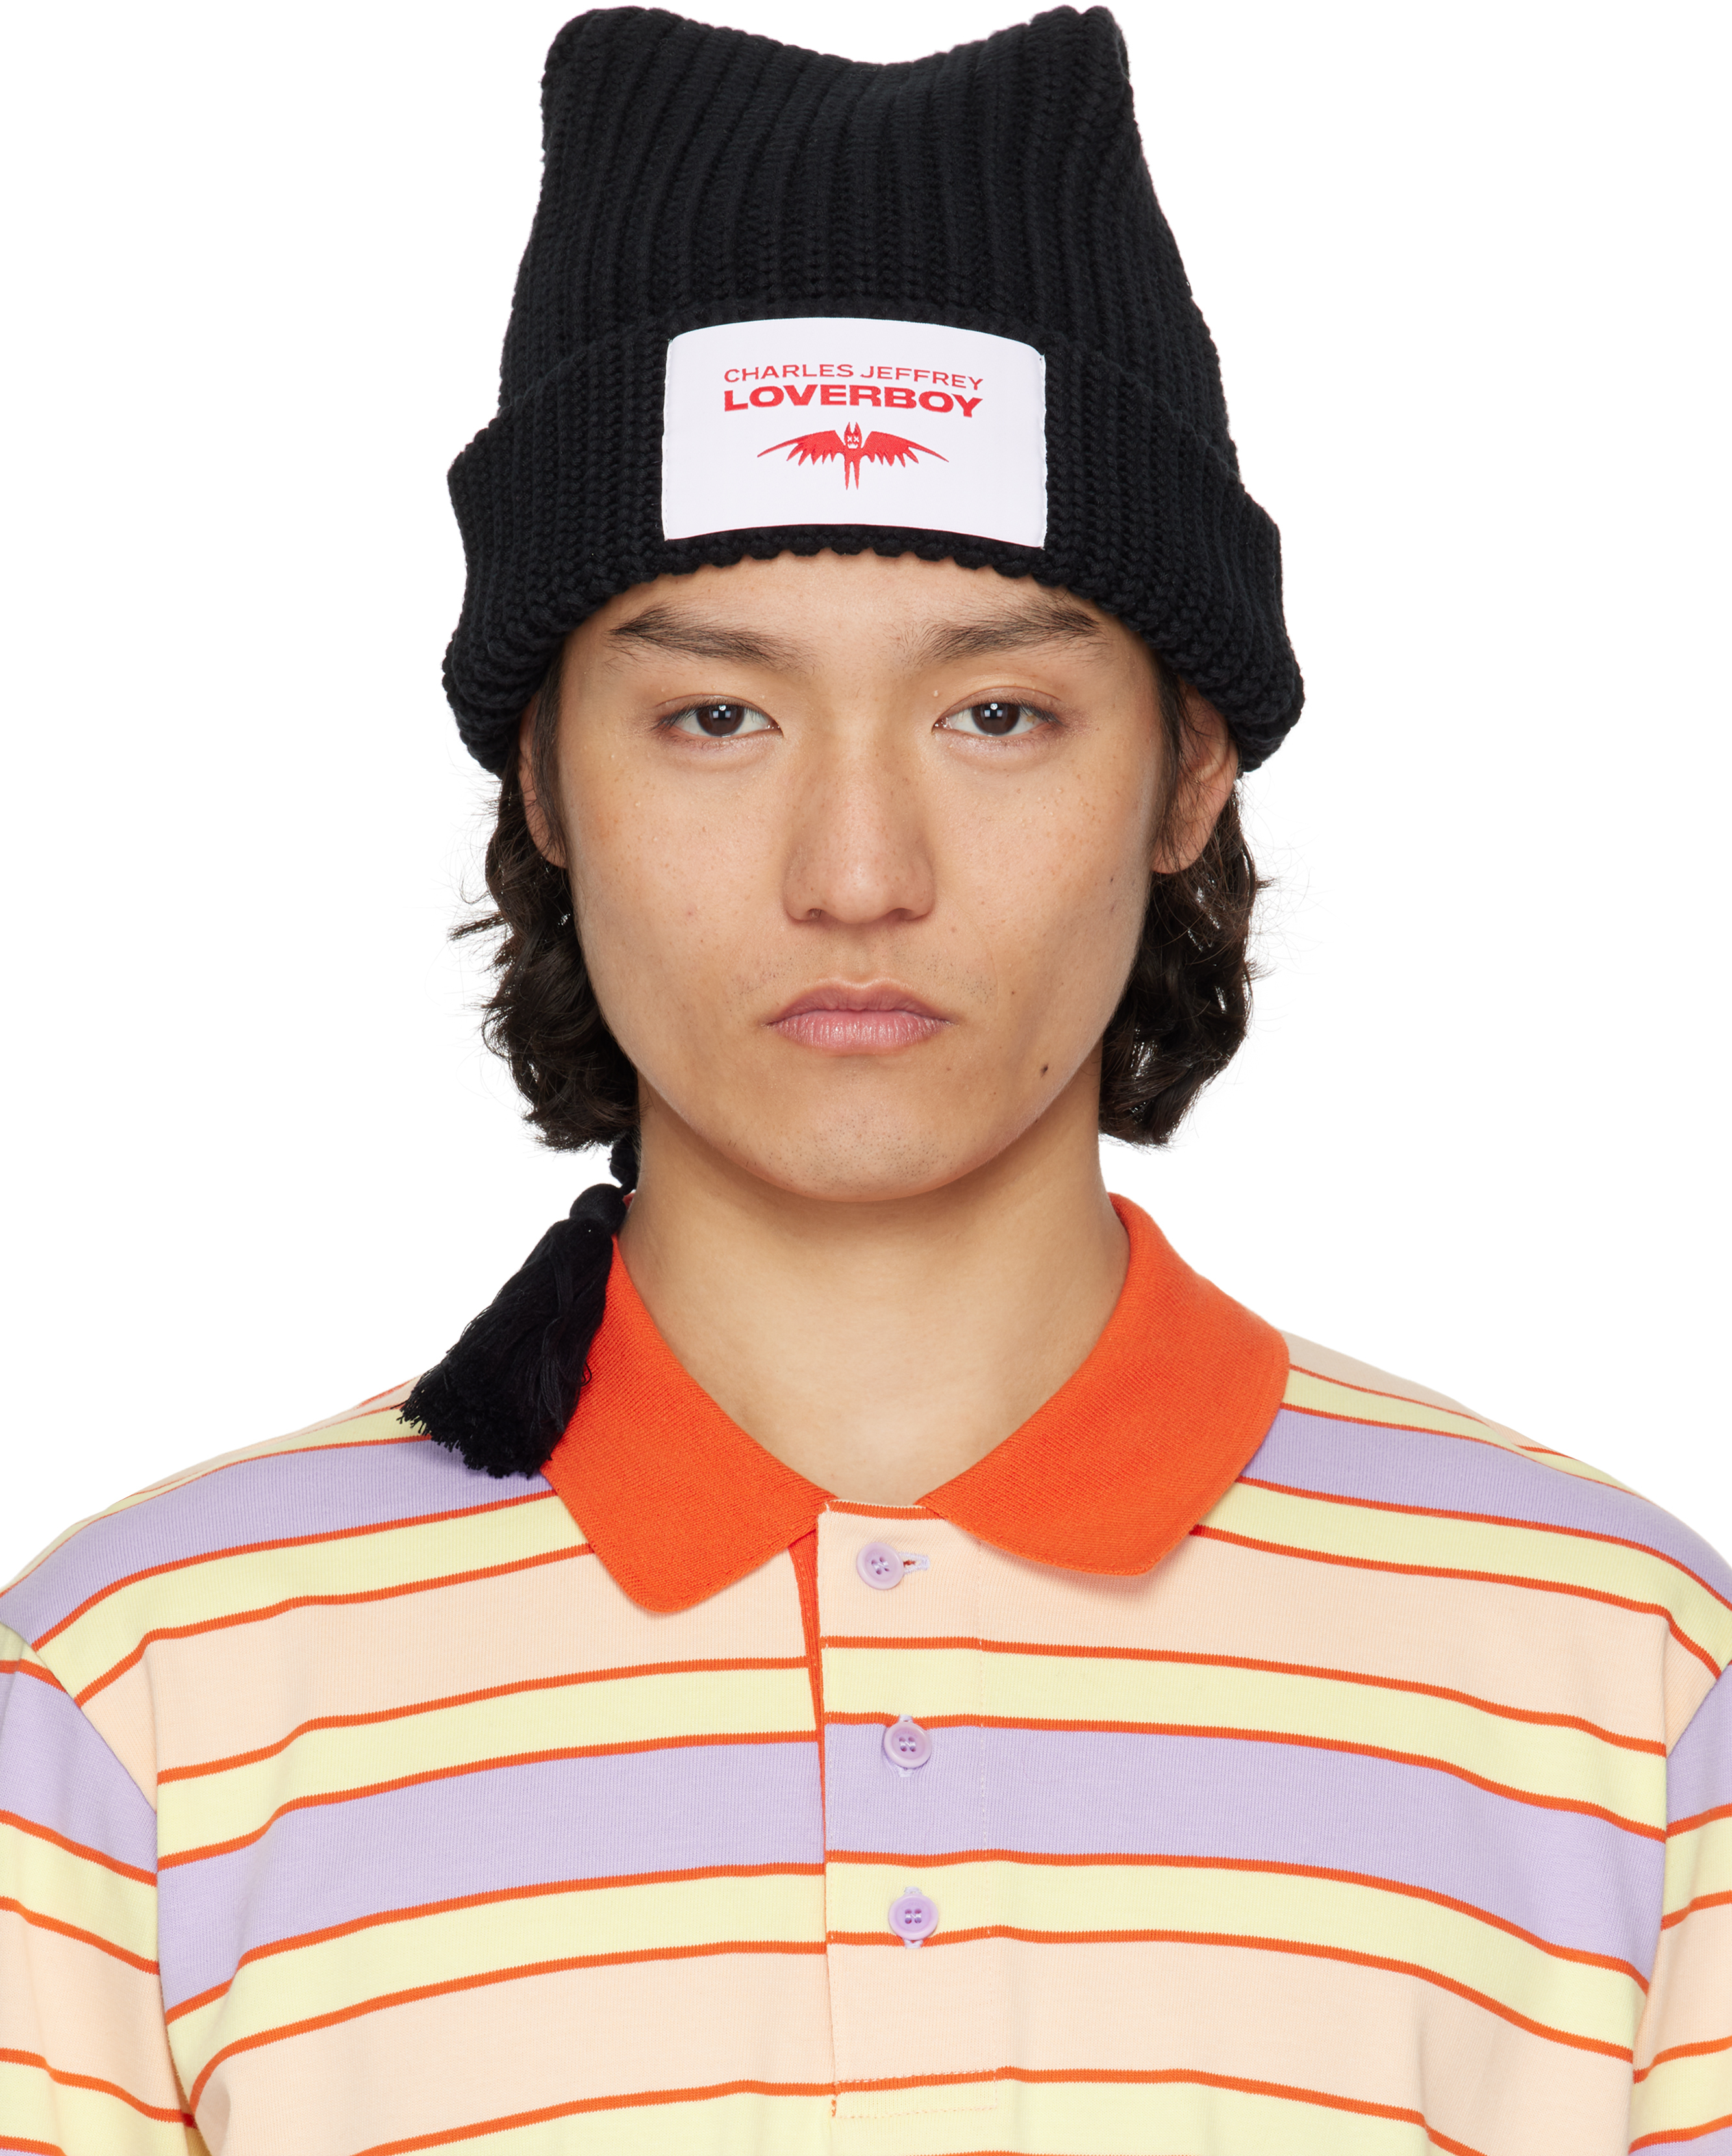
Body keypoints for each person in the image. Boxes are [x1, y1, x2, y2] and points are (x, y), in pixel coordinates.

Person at [1, 8, 1726, 2154]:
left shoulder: (1612, 1690)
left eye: (995, 714)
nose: (853, 874)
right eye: (713, 718)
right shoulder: (137, 1710)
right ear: (542, 778)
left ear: (1187, 771)